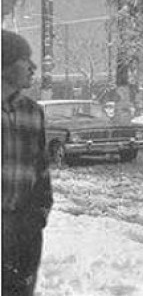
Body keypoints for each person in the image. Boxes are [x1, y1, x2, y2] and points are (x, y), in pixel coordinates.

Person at [2, 30, 53, 296]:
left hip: (24, 229)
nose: (33, 67)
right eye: (25, 59)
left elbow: (41, 170)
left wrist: (38, 216)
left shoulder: (33, 112)